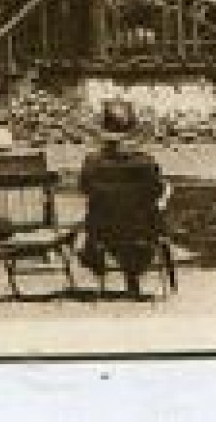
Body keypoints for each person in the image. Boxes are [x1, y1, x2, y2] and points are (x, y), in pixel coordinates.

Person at [77, 99, 167, 297]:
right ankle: (132, 270)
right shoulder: (145, 162)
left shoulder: (92, 162)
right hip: (141, 231)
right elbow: (156, 191)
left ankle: (98, 259)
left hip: (104, 231)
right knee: (157, 201)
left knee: (105, 214)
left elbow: (84, 188)